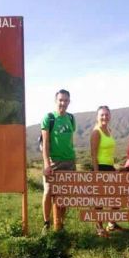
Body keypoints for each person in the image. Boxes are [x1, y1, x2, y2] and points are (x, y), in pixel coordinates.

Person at [41, 89, 76, 234]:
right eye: (61, 100)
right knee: (48, 191)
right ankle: (46, 223)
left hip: (69, 161)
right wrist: (47, 164)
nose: (63, 103)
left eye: (66, 100)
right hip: (53, 161)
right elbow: (46, 143)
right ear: (56, 101)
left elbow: (70, 139)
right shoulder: (49, 118)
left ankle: (60, 224)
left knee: (65, 194)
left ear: (69, 102)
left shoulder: (71, 118)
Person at [90, 105, 122, 237]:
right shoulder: (96, 132)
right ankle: (99, 228)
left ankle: (111, 223)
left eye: (107, 115)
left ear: (110, 116)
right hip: (100, 168)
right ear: (97, 117)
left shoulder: (109, 130)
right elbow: (93, 154)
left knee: (116, 197)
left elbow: (108, 152)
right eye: (102, 115)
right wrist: (97, 174)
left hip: (109, 167)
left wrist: (114, 167)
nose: (104, 117)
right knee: (99, 200)